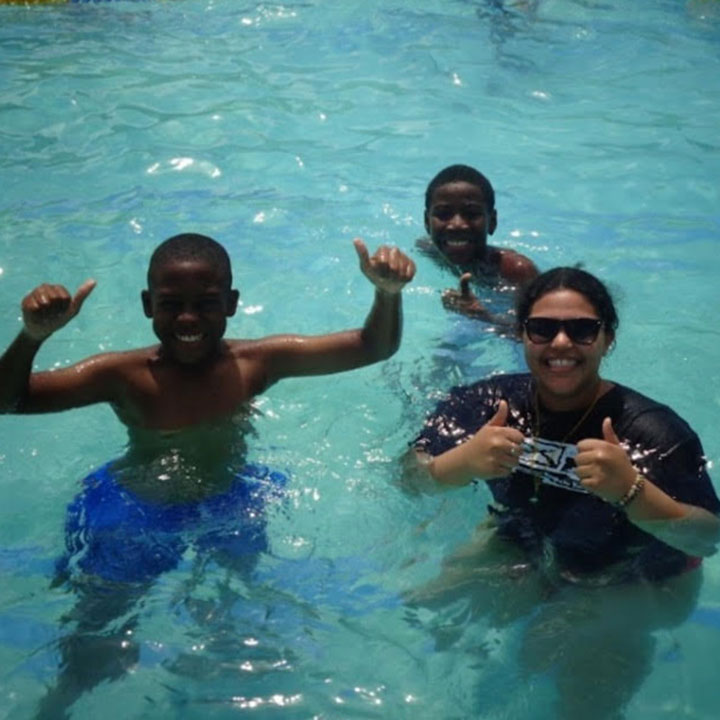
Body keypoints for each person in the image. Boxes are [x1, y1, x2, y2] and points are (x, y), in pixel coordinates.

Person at [0, 232, 415, 719]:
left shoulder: (256, 363)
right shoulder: (122, 375)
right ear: (146, 305)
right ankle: (56, 705)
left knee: (235, 614)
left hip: (228, 500)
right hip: (135, 510)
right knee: (94, 642)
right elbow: (9, 400)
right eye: (171, 304)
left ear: (233, 304)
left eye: (206, 304)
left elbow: (372, 347)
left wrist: (387, 294)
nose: (188, 319)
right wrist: (32, 335)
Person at [404, 266, 719, 719]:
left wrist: (632, 492)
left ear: (608, 339)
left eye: (582, 330)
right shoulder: (490, 403)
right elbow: (407, 477)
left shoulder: (652, 431)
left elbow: (705, 538)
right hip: (524, 544)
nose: (561, 344)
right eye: (543, 328)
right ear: (522, 334)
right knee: (426, 613)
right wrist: (460, 464)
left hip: (634, 578)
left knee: (583, 698)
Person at [418, 164, 539, 324]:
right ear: (427, 222)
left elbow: (541, 332)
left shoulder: (516, 271)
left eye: (471, 214)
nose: (456, 224)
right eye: (443, 214)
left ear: (492, 222)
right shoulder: (430, 251)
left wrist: (481, 317)